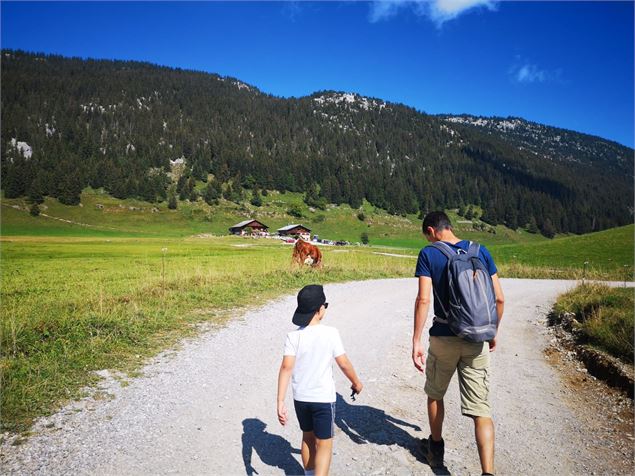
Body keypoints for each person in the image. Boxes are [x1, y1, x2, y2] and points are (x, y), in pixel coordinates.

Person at [412, 211, 505, 476]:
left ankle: (436, 451)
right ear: (449, 227)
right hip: (477, 340)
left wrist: (416, 340)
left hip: (443, 336)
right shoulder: (481, 251)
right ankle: (487, 472)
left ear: (431, 231)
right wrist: (492, 331)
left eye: (426, 236)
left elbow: (423, 300)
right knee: (481, 410)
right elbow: (499, 299)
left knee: (435, 393)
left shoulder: (429, 254)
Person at [277, 284, 363, 476]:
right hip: (323, 399)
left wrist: (280, 401)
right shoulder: (330, 333)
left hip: (301, 398)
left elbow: (285, 368)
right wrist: (356, 382)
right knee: (324, 444)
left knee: (308, 438)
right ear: (319, 309)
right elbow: (344, 364)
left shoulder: (293, 336)